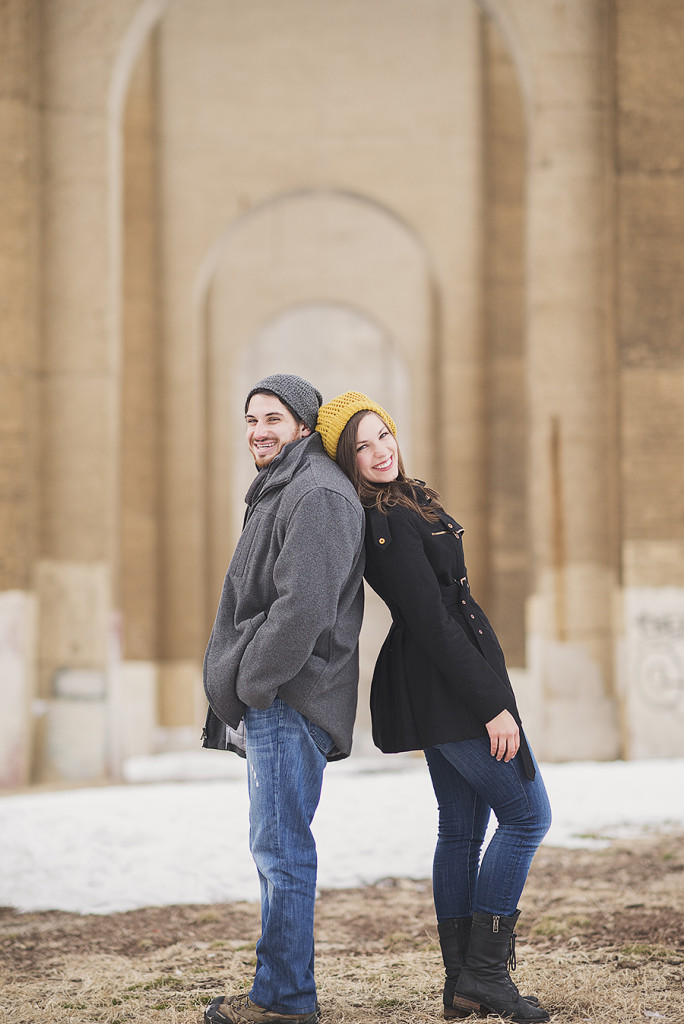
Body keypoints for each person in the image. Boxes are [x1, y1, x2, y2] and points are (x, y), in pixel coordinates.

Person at [315, 392, 552, 1024]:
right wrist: (493, 707)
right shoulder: (384, 524)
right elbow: (433, 622)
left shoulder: (407, 503)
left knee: (463, 826)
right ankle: (485, 975)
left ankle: (464, 987)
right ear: (347, 461)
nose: (377, 452)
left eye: (381, 436)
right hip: (446, 684)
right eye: (360, 448)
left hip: (440, 680)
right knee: (529, 815)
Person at [202, 374, 365, 1024]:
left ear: (303, 425)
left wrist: (253, 683)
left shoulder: (317, 494)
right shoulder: (288, 487)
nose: (258, 432)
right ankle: (277, 991)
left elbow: (302, 610)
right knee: (276, 848)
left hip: (291, 700)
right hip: (281, 697)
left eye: (272, 419)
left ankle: (286, 1000)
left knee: (282, 849)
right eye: (250, 420)